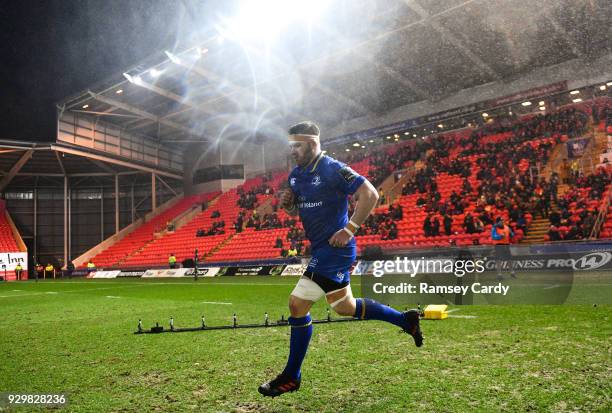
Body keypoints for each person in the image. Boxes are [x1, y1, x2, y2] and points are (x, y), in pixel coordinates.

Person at [258, 121, 422, 398]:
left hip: (335, 250)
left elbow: (369, 193)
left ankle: (291, 376)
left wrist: (350, 229)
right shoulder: (297, 175)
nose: (293, 151)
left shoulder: (332, 168)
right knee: (344, 307)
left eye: (297, 145)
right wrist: (289, 204)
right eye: (291, 146)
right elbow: (296, 209)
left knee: (297, 304)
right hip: (323, 248)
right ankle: (405, 321)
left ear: (311, 143)